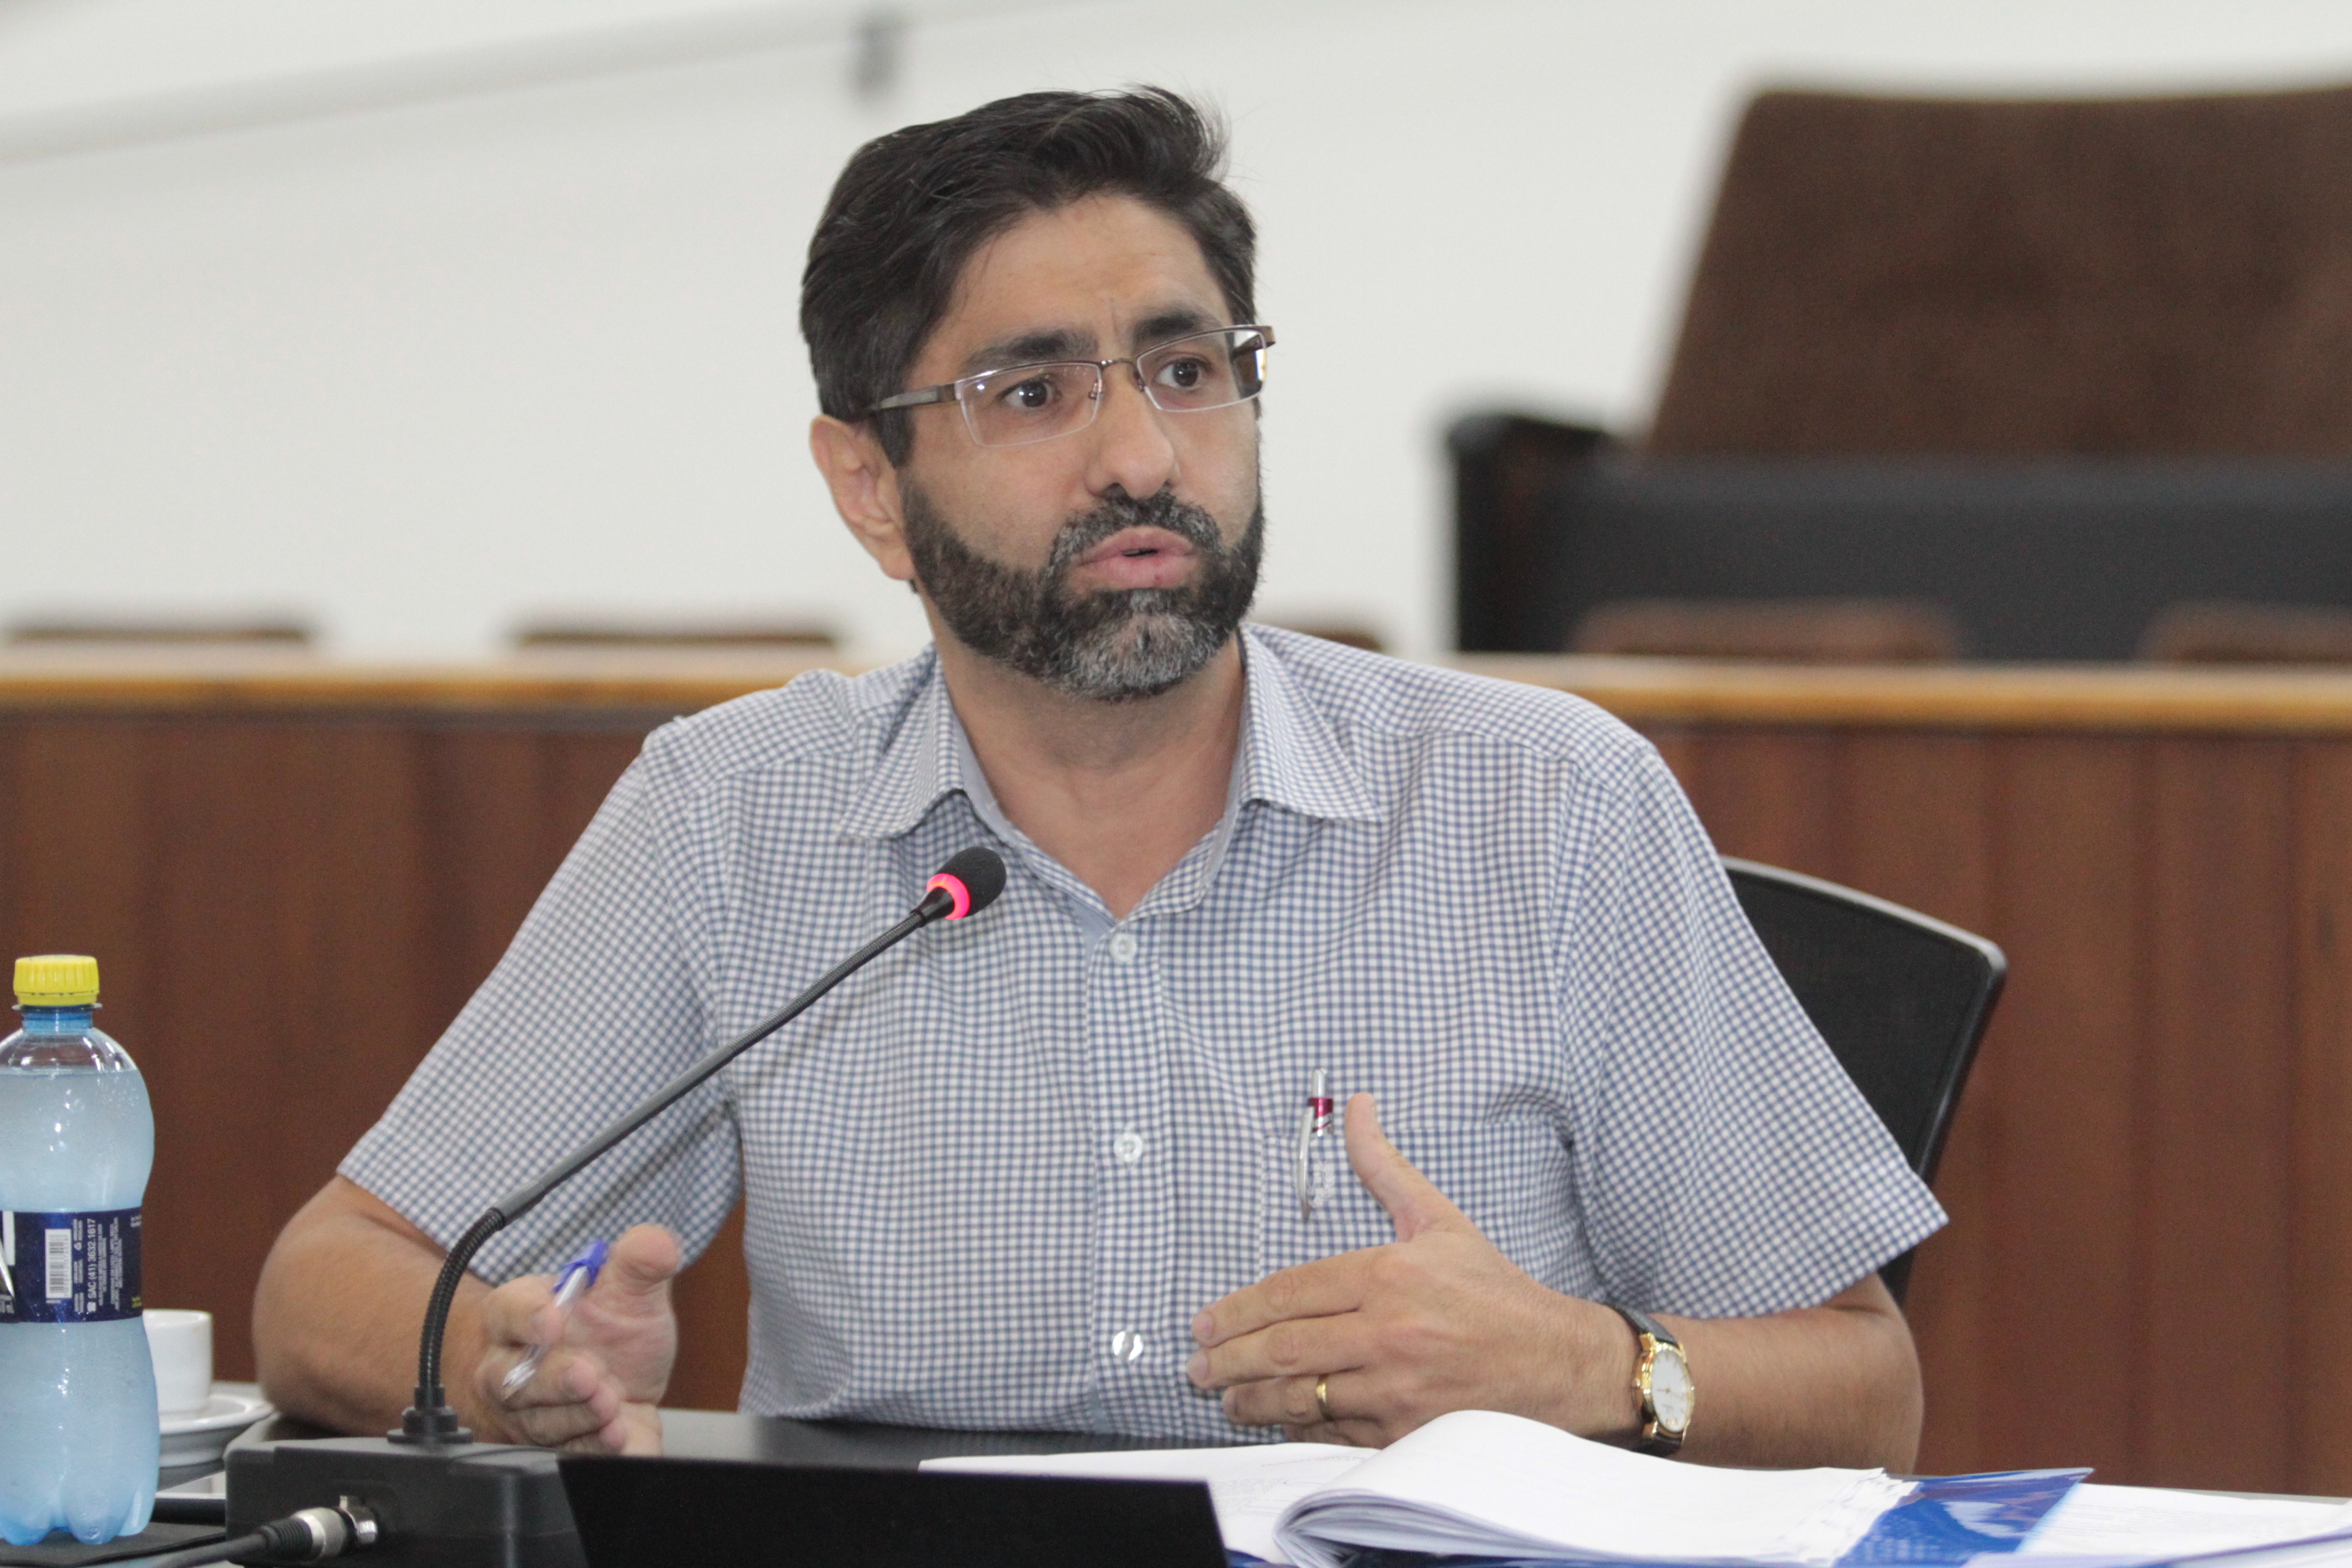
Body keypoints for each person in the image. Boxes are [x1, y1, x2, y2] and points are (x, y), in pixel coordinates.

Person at [252, 87, 1943, 1467]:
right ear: (869, 486)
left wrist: (1585, 1366)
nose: (1141, 455)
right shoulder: (735, 818)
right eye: (1035, 391)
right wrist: (509, 1365)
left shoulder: (1545, 804)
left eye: (1188, 372)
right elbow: (329, 1286)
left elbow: (1865, 1387)